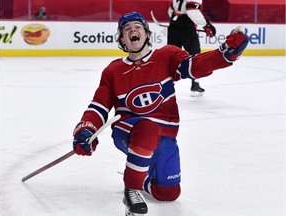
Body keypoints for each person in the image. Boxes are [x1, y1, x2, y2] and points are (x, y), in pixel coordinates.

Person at [72, 12, 248, 216]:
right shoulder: (113, 71)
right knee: (148, 128)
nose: (132, 30)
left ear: (147, 33)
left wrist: (224, 55)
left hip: (165, 136)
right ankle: (132, 189)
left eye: (137, 26)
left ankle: (141, 175)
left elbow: (195, 65)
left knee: (168, 193)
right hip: (128, 131)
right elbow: (99, 107)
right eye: (126, 29)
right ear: (121, 39)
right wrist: (86, 129)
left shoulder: (166, 56)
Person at [167, 0, 216, 97]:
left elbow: (170, 10)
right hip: (187, 29)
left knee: (171, 57)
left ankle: (167, 86)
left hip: (173, 27)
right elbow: (191, 11)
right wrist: (206, 24)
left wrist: (176, 22)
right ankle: (195, 85)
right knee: (195, 56)